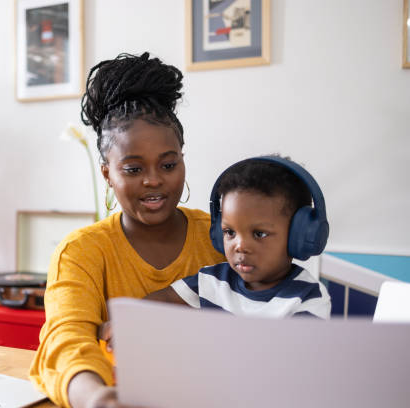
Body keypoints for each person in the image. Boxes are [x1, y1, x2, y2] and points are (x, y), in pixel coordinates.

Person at [28, 52, 225, 408]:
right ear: (107, 173)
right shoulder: (83, 251)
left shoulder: (223, 237)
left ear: (182, 159)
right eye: (133, 169)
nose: (154, 180)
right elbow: (66, 341)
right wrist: (100, 399)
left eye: (168, 164)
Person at [101, 156, 332, 338]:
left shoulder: (308, 298)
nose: (240, 246)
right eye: (229, 232)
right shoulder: (213, 281)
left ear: (298, 236)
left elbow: (296, 366)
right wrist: (125, 322)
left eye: (259, 234)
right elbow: (164, 299)